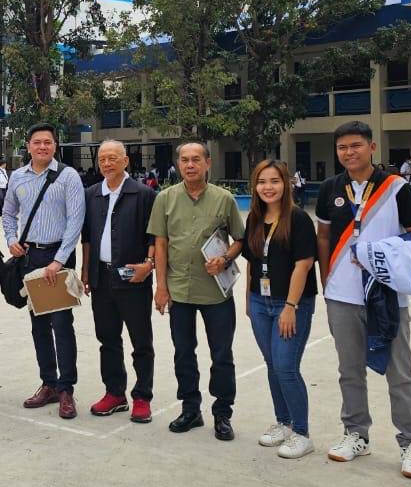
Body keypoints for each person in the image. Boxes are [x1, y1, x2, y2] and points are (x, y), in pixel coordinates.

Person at [316, 121, 411, 479]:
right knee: (349, 369)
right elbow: (323, 237)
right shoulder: (330, 189)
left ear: (372, 147)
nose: (349, 153)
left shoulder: (396, 188)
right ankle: (356, 433)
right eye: (342, 148)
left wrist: (375, 252)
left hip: (386, 295)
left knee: (400, 372)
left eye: (355, 146)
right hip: (342, 295)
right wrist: (326, 280)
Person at [147, 141, 244, 440]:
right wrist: (161, 287)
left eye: (196, 160)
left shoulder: (224, 199)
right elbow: (160, 244)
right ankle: (191, 409)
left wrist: (225, 257)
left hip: (216, 293)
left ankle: (223, 413)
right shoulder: (165, 198)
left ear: (207, 163)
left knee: (222, 354)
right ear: (178, 164)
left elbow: (239, 239)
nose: (190, 165)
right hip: (179, 290)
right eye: (184, 160)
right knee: (183, 353)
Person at [4, 123, 87, 418]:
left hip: (57, 258)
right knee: (38, 325)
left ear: (55, 146)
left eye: (48, 142)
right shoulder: (17, 177)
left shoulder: (68, 177)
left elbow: (75, 221)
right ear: (28, 146)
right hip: (30, 257)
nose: (42, 147)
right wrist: (12, 240)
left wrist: (59, 260)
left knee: (62, 325)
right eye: (37, 142)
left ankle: (66, 389)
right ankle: (48, 383)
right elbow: (8, 213)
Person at [241, 159, 318, 459]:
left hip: (291, 303)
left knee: (286, 367)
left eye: (274, 181)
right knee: (272, 363)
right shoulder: (255, 219)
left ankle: (301, 432)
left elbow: (304, 264)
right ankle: (283, 423)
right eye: (262, 182)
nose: (268, 187)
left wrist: (291, 306)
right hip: (260, 302)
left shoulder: (297, 219)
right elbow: (251, 259)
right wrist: (249, 299)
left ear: (286, 184)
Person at [80, 140, 157, 425]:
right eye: (102, 159)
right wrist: (86, 271)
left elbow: (155, 237)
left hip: (133, 278)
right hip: (102, 277)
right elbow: (86, 236)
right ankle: (115, 393)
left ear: (126, 161)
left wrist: (149, 266)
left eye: (113, 158)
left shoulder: (144, 194)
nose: (107, 163)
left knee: (141, 341)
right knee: (107, 339)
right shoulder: (91, 194)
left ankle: (142, 396)